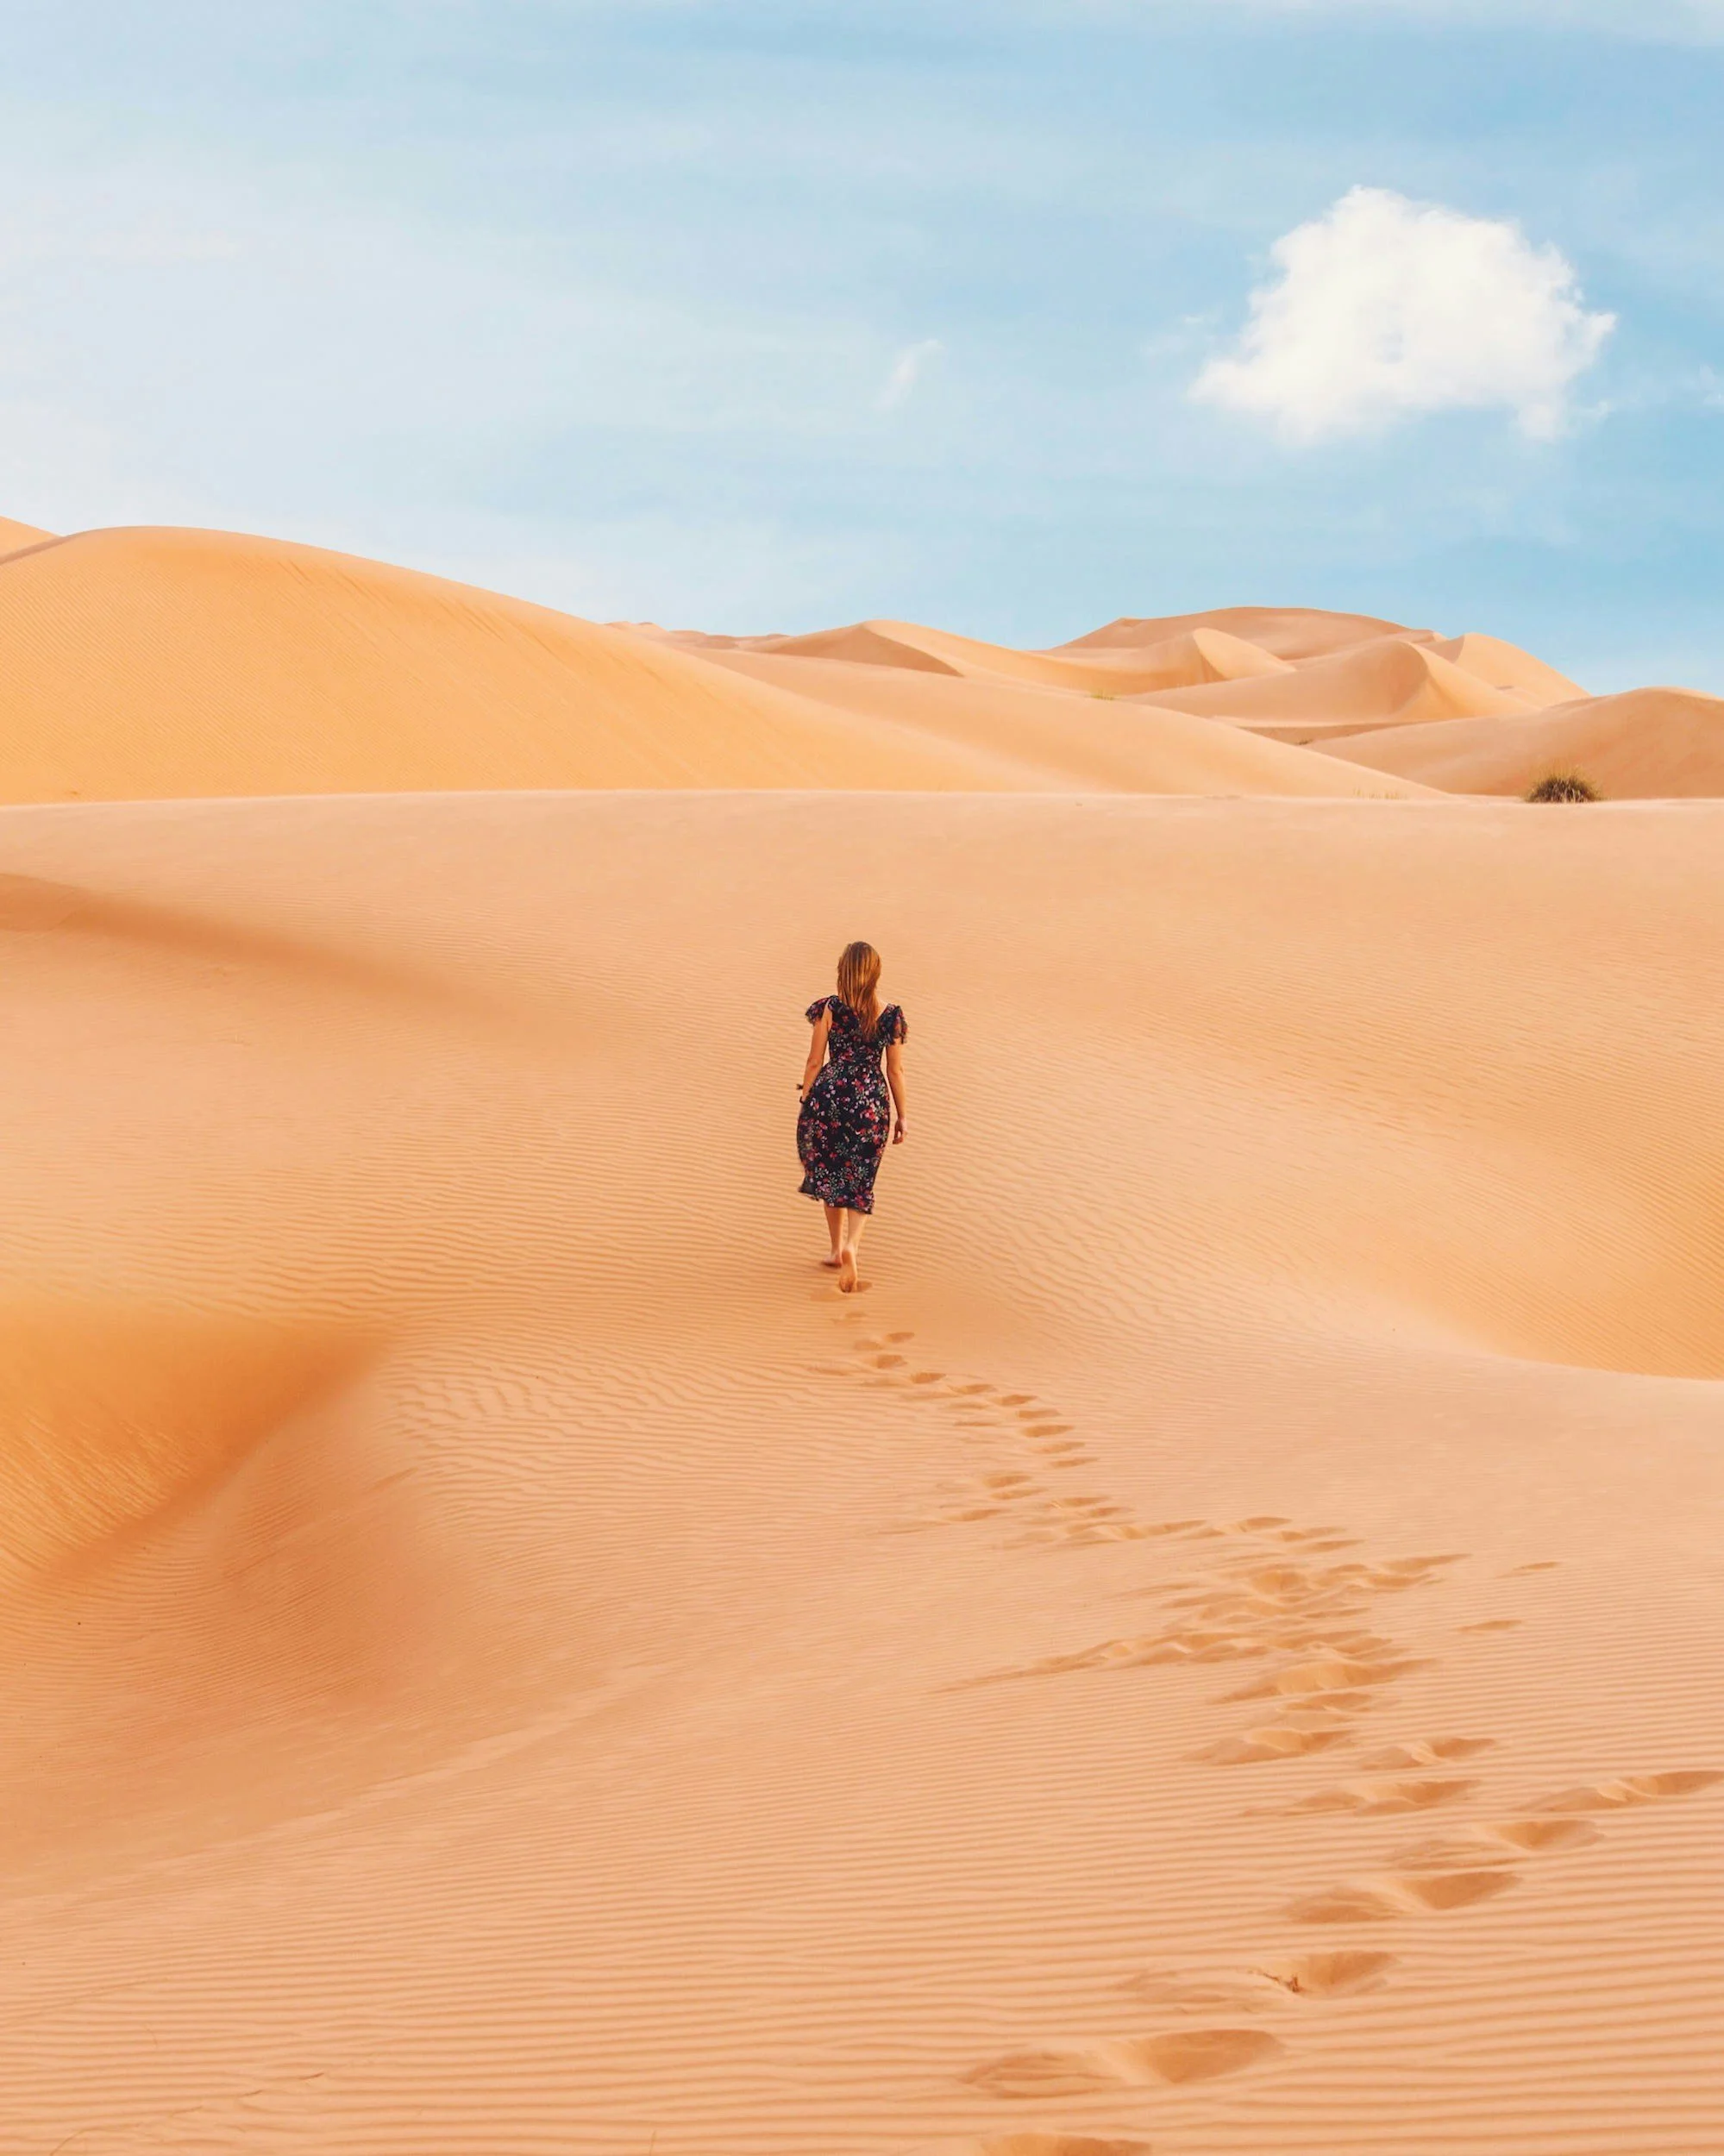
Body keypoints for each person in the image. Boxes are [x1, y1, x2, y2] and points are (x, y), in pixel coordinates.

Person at [796, 941, 908, 1293]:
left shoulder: (829, 1008)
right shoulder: (889, 1015)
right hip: (870, 1101)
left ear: (842, 971)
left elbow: (815, 1060)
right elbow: (896, 1070)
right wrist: (903, 1115)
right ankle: (852, 1245)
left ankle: (833, 1249)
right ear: (875, 973)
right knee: (860, 1175)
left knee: (831, 1169)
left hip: (830, 1096)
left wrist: (806, 1096)